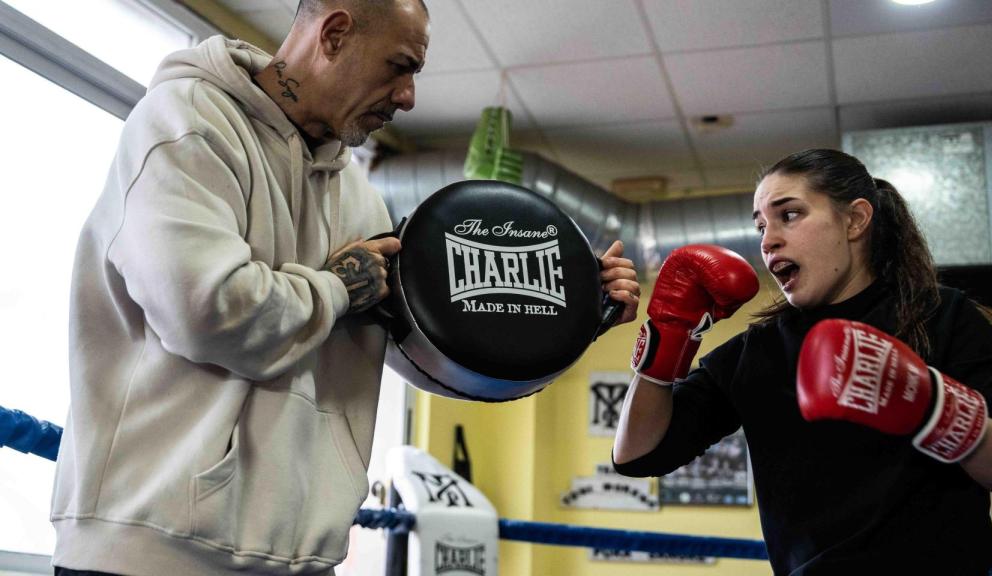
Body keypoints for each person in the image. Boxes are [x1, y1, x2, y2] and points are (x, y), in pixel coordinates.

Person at [50, 1, 640, 575]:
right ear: (334, 34)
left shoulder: (358, 198)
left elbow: (418, 349)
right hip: (152, 550)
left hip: (298, 557)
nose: (408, 96)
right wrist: (335, 288)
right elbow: (204, 311)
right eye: (400, 66)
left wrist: (567, 320)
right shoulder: (187, 124)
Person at [614, 148, 992, 575]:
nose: (767, 241)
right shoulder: (760, 350)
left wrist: (934, 408)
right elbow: (638, 455)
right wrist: (669, 335)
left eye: (789, 215)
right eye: (760, 226)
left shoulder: (941, 318)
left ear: (855, 220)